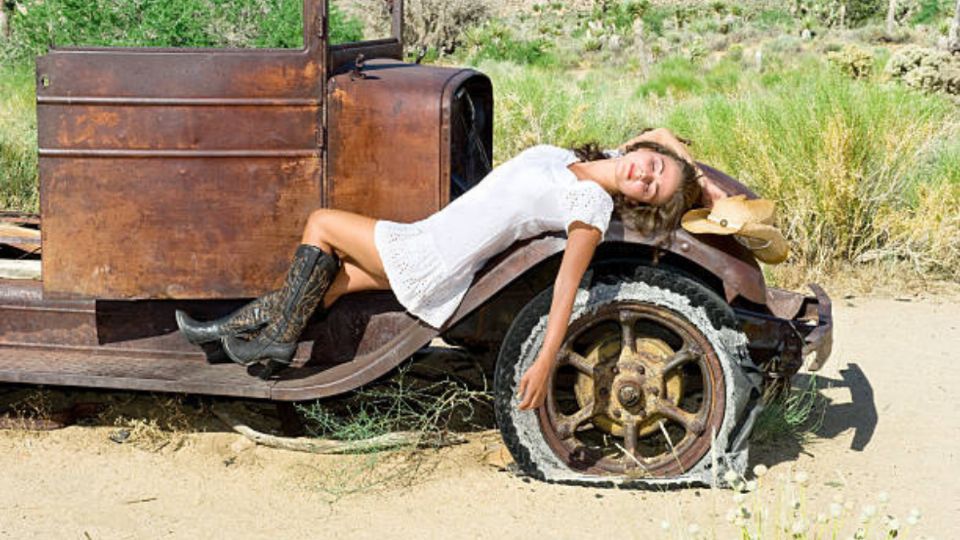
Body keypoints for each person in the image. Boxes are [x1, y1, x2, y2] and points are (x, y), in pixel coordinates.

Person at [175, 128, 726, 410]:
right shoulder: (584, 160)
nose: (644, 175)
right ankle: (226, 333)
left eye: (652, 188)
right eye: (651, 164)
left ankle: (274, 342)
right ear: (643, 148)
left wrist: (545, 356)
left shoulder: (592, 207)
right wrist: (692, 171)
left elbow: (567, 286)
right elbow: (661, 134)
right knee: (331, 282)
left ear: (643, 203)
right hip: (429, 242)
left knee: (320, 223)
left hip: (431, 258)